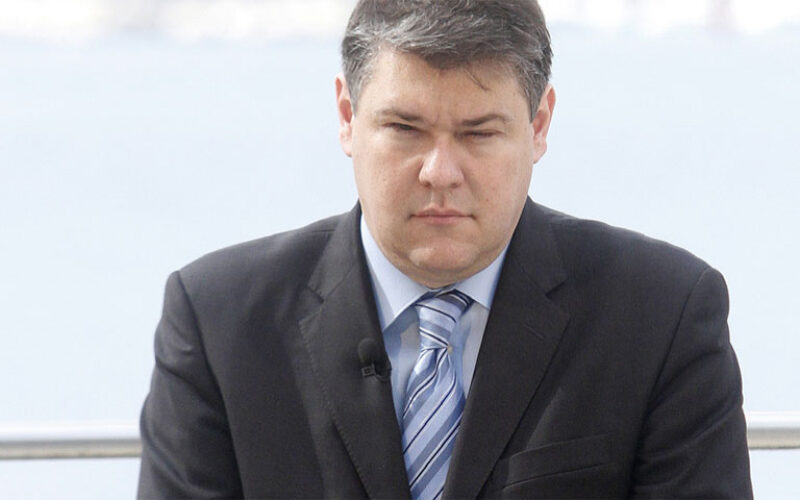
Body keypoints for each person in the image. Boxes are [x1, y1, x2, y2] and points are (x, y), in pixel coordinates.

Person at [137, 0, 752, 498]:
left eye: (478, 133)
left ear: (539, 125)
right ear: (347, 116)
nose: (440, 172)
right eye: (405, 129)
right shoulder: (218, 322)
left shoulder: (663, 315)